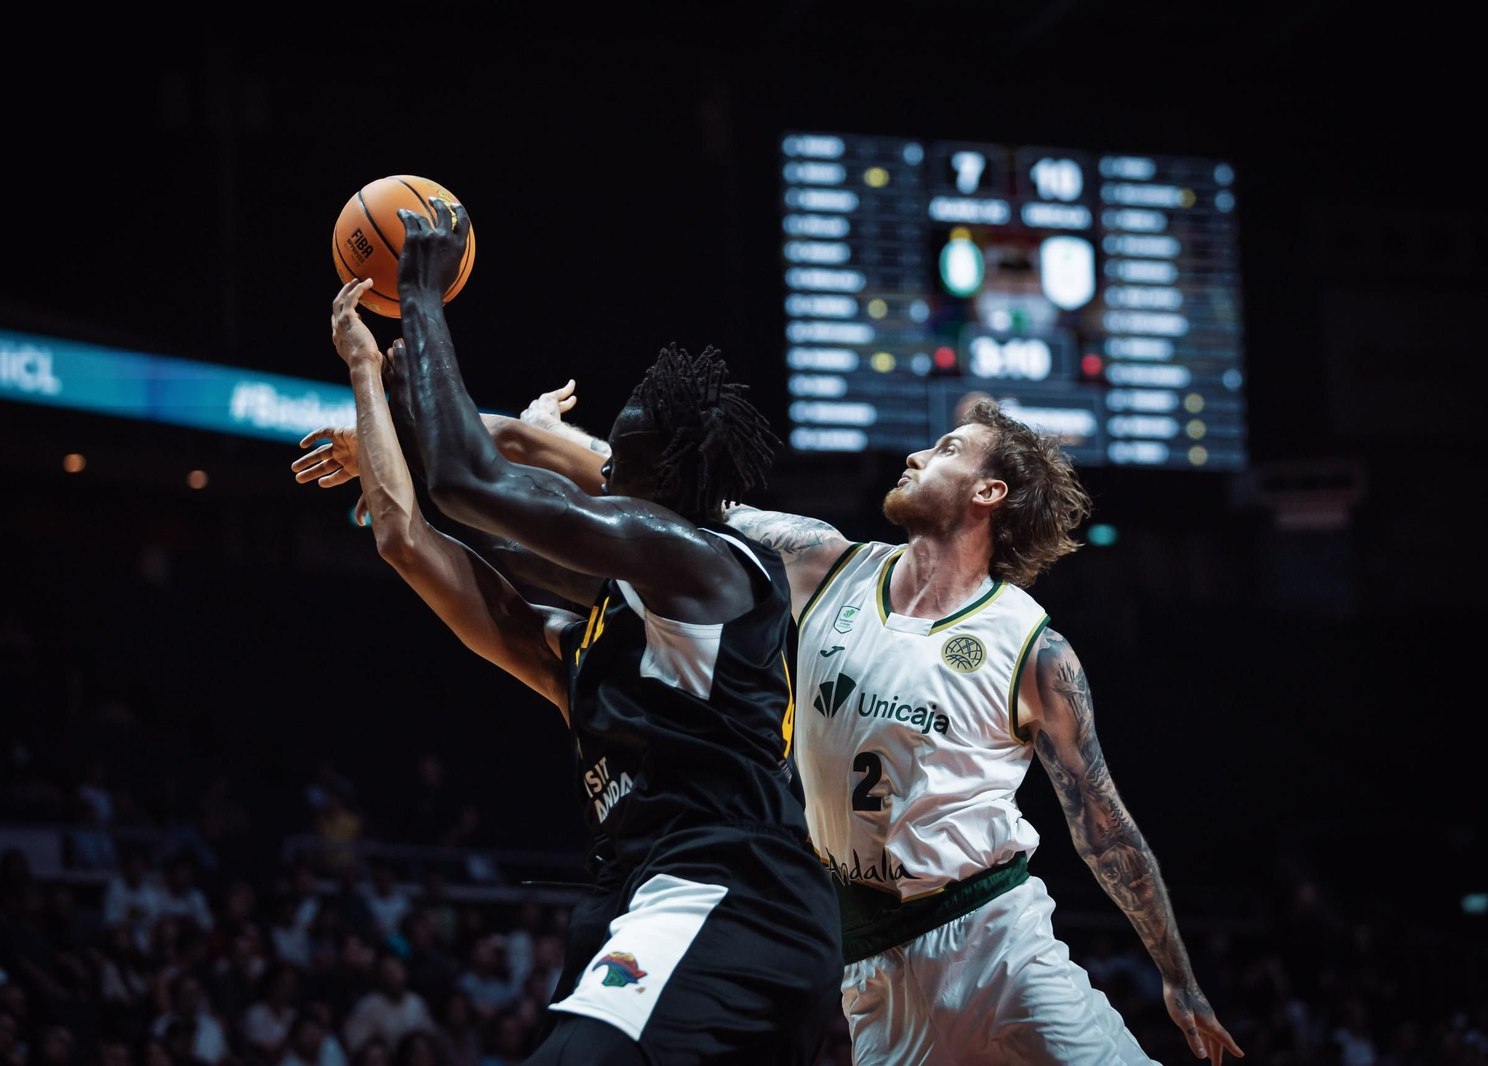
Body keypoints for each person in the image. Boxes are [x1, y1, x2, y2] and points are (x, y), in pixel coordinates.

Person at [489, 379, 1244, 1063]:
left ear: (989, 492)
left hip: (996, 942)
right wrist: (544, 440)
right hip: (872, 968)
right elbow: (683, 501)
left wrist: (1179, 978)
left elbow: (1104, 828)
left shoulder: (1033, 648)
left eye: (946, 449)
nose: (916, 455)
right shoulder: (825, 563)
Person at [297, 197, 840, 1065]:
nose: (601, 473)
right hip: (646, 900)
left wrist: (424, 299)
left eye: (620, 463)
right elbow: (410, 539)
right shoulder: (590, 648)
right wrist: (369, 375)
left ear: (664, 481)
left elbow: (470, 485)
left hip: (727, 889)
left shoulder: (709, 562)